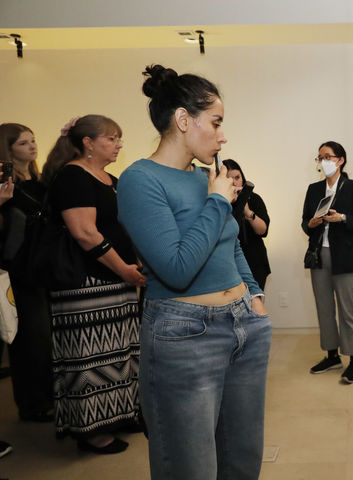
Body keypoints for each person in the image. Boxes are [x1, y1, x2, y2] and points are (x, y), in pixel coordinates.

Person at [117, 64, 271, 480]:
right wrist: (218, 201)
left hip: (244, 323)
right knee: (190, 465)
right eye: (216, 123)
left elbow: (232, 244)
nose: (223, 136)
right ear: (184, 120)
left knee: (242, 458)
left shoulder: (207, 177)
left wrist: (254, 297)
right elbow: (176, 268)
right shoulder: (139, 180)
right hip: (184, 334)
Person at [40, 114, 145, 454]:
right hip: (86, 284)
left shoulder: (106, 178)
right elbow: (85, 233)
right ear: (88, 142)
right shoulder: (72, 176)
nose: (118, 145)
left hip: (114, 282)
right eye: (112, 138)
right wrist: (124, 269)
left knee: (121, 356)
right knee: (91, 360)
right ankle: (92, 430)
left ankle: (120, 414)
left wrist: (133, 264)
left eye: (119, 139)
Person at [302, 141, 353, 384]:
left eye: (328, 157)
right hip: (319, 255)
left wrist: (341, 217)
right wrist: (310, 224)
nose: (324, 162)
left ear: (341, 160)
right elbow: (304, 222)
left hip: (346, 256)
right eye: (320, 158)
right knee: (324, 308)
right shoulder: (313, 189)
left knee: (347, 309)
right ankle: (331, 356)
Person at [0, 123, 54, 423]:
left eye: (33, 141)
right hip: (17, 270)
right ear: (8, 149)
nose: (32, 147)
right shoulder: (4, 182)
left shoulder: (39, 180)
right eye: (23, 143)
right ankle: (32, 404)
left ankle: (45, 397)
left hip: (43, 265)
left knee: (44, 338)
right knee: (30, 340)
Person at [223, 159, 271, 290]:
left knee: (255, 304)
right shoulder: (220, 202)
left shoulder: (254, 199)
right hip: (229, 262)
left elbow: (263, 231)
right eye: (230, 179)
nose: (235, 182)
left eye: (237, 177)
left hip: (255, 261)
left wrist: (248, 212)